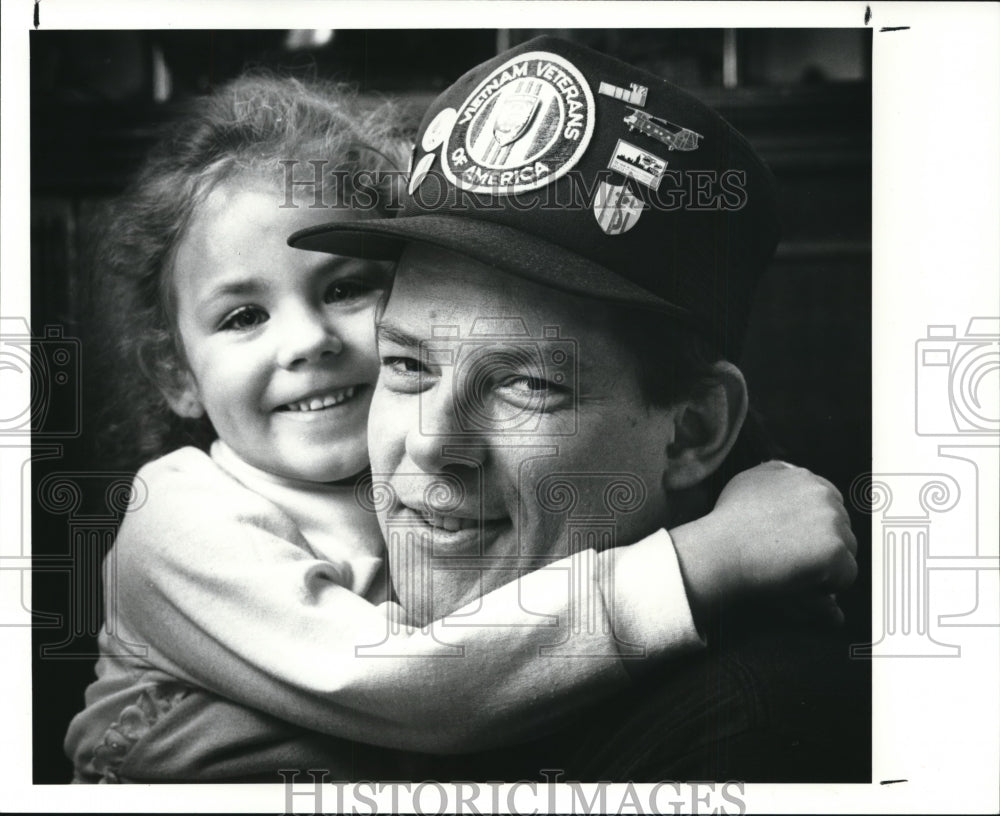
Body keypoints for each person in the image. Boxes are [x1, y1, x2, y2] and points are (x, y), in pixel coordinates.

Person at [64, 62, 857, 784]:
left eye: (526, 383)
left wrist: (754, 536)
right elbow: (415, 685)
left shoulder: (745, 724)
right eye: (409, 363)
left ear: (692, 432)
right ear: (174, 372)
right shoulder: (182, 519)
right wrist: (711, 562)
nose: (429, 441)